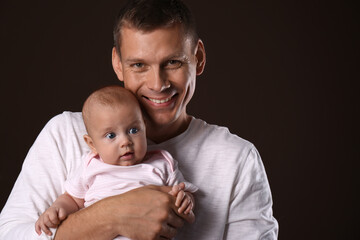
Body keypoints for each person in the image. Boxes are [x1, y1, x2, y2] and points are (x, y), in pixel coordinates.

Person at [0, 0, 279, 239]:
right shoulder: (64, 135)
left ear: (199, 58)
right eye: (139, 65)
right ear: (117, 63)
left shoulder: (238, 159)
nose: (158, 84)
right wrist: (112, 216)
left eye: (173, 62)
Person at [34, 85, 198, 239]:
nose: (125, 142)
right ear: (92, 144)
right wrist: (55, 209)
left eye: (133, 130)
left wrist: (186, 200)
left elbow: (182, 193)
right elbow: (72, 198)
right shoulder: (91, 166)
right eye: (111, 135)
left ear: (144, 128)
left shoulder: (162, 162)